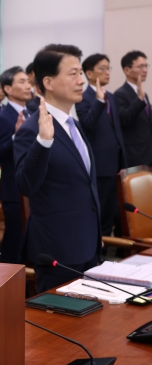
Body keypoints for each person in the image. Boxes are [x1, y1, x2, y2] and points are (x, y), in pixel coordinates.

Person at [14, 44, 100, 292]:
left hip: (88, 244)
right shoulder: (32, 129)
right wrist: (43, 142)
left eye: (81, 73)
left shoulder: (73, 123)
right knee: (59, 326)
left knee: (92, 326)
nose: (81, 80)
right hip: (58, 250)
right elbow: (26, 185)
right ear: (48, 82)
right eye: (73, 74)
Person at [76, 54, 126, 239]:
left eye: (108, 68)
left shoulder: (111, 97)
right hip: (100, 165)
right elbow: (87, 124)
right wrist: (97, 101)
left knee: (114, 213)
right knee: (101, 213)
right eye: (102, 68)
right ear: (89, 73)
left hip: (116, 164)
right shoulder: (83, 96)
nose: (107, 72)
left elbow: (116, 130)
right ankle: (100, 257)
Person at [0, 66, 31, 264]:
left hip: (31, 187)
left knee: (30, 243)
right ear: (8, 88)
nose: (28, 86)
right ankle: (9, 285)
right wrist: (17, 135)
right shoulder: (2, 118)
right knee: (14, 242)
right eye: (22, 82)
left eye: (28, 81)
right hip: (13, 190)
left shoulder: (32, 112)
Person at [114, 50, 152, 167]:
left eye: (146, 66)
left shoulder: (143, 94)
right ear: (127, 70)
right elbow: (124, 119)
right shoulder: (120, 94)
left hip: (148, 153)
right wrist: (139, 99)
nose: (145, 70)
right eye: (141, 66)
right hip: (135, 156)